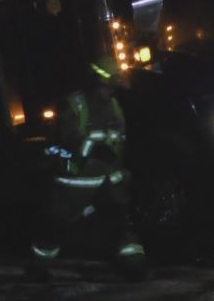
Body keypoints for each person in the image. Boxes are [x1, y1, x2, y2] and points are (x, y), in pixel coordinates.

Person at [26, 54, 147, 281]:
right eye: (107, 87)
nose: (111, 92)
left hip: (107, 178)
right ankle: (38, 268)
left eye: (113, 88)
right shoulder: (75, 105)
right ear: (94, 82)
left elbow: (119, 141)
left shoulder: (114, 106)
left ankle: (134, 265)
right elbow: (65, 140)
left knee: (121, 223)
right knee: (55, 226)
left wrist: (120, 172)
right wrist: (93, 148)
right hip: (75, 180)